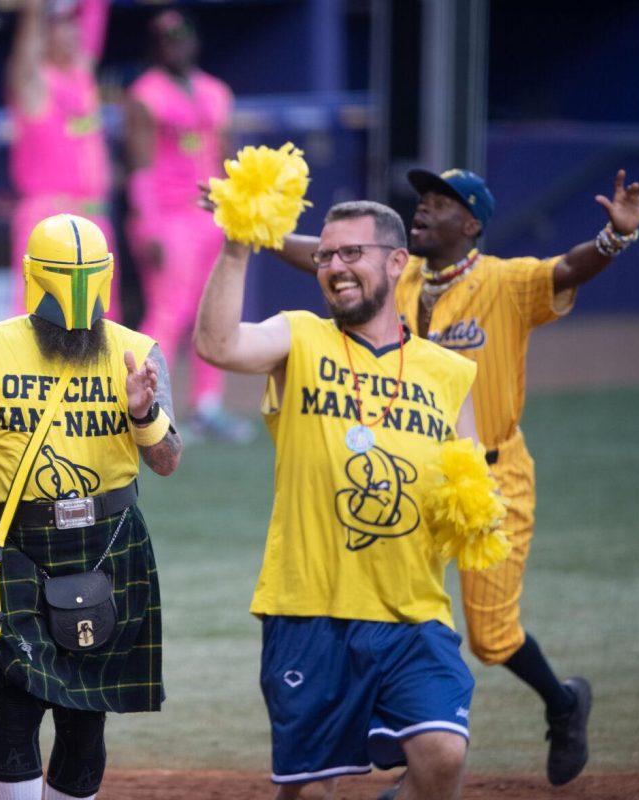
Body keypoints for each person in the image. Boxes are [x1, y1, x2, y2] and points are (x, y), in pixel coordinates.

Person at [267, 167, 639, 788]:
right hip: (408, 479)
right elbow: (326, 256)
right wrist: (252, 228)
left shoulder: (506, 282)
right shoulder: (403, 274)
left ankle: (563, 703)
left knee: (492, 637)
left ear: (472, 224)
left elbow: (567, 270)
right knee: (395, 605)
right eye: (421, 200)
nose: (423, 209)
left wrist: (615, 236)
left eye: (442, 203)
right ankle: (408, 737)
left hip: (487, 479)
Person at [195, 201, 480, 800]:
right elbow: (217, 346)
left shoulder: (449, 374)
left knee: (443, 754)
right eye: (326, 255)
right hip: (310, 609)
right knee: (311, 789)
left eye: (352, 253)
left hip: (413, 613)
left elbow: (471, 480)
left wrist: (475, 507)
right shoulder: (298, 337)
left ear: (398, 262)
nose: (334, 266)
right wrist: (237, 248)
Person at [0, 213, 181, 800]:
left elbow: (166, 460)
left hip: (109, 544)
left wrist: (143, 413)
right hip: (19, 547)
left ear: (105, 276)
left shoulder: (139, 354)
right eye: (64, 276)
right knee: (18, 706)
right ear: (33, 276)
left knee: (86, 716)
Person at [125, 10, 251, 443]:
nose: (175, 45)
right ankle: (146, 404)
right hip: (168, 217)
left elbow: (226, 156)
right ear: (155, 46)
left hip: (211, 213)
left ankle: (207, 407)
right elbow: (139, 166)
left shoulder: (216, 91)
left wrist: (239, 210)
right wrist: (149, 225)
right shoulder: (145, 94)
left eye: (182, 37)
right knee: (167, 311)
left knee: (213, 310)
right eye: (166, 39)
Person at [6, 0, 117, 318]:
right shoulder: (35, 84)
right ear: (45, 36)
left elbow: (95, 16)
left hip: (95, 216)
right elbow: (26, 53)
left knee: (100, 317)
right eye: (61, 27)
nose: (72, 34)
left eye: (74, 26)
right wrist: (34, 12)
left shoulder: (82, 78)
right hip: (48, 215)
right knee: (39, 313)